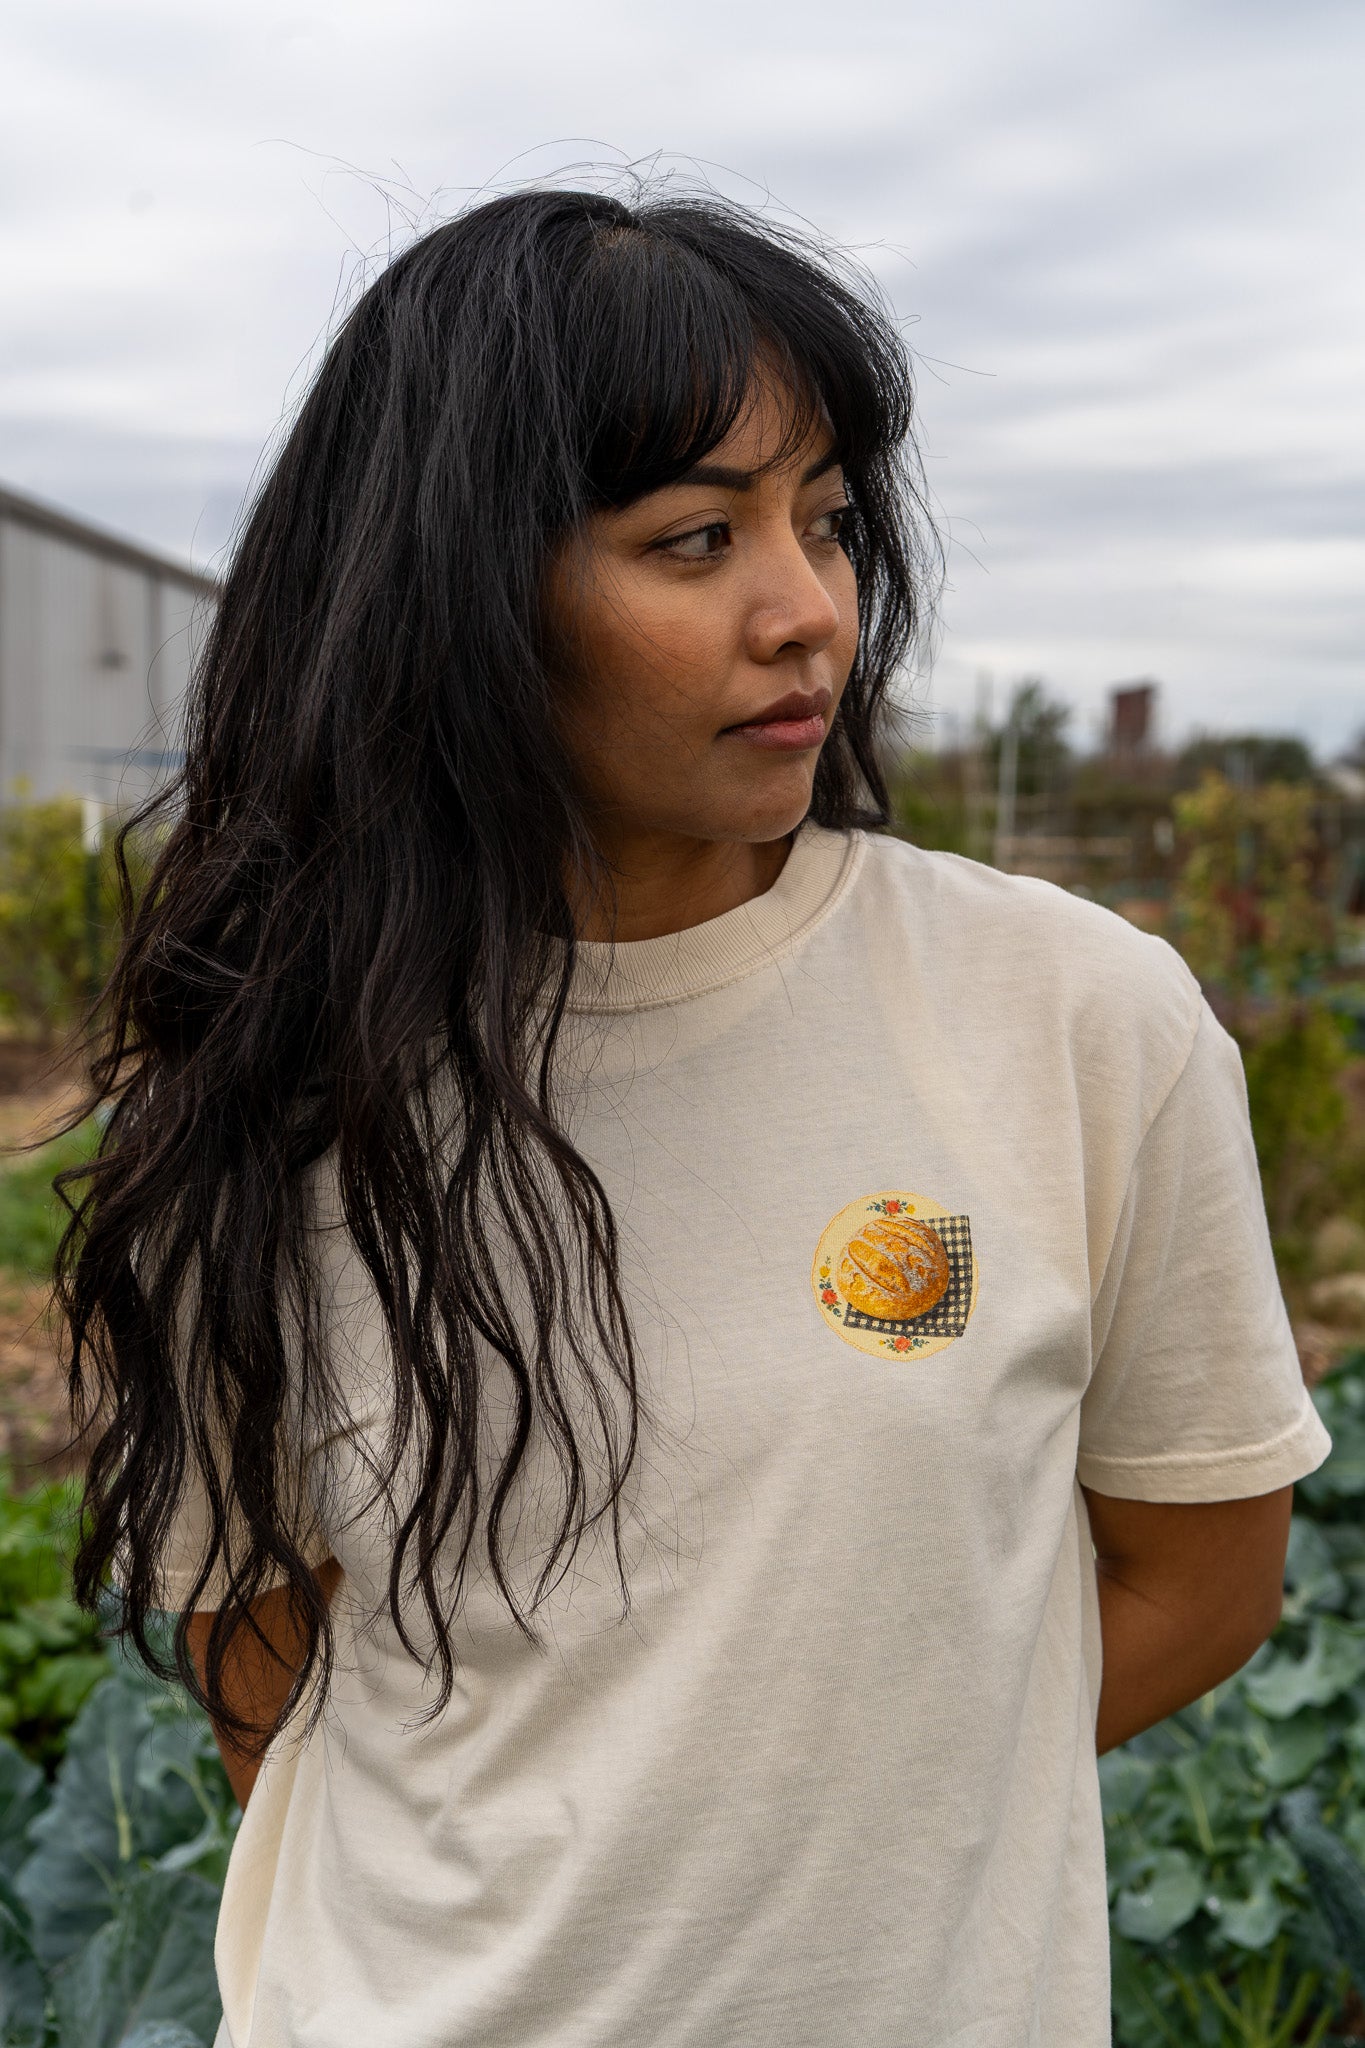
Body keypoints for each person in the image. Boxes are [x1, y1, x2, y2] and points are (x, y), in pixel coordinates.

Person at [61, 184, 1329, 2048]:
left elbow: (1197, 1578)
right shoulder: (272, 1103)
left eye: (828, 521)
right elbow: (273, 1685)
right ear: (456, 596)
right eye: (695, 537)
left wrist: (842, 1838)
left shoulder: (1069, 1018)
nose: (807, 610)